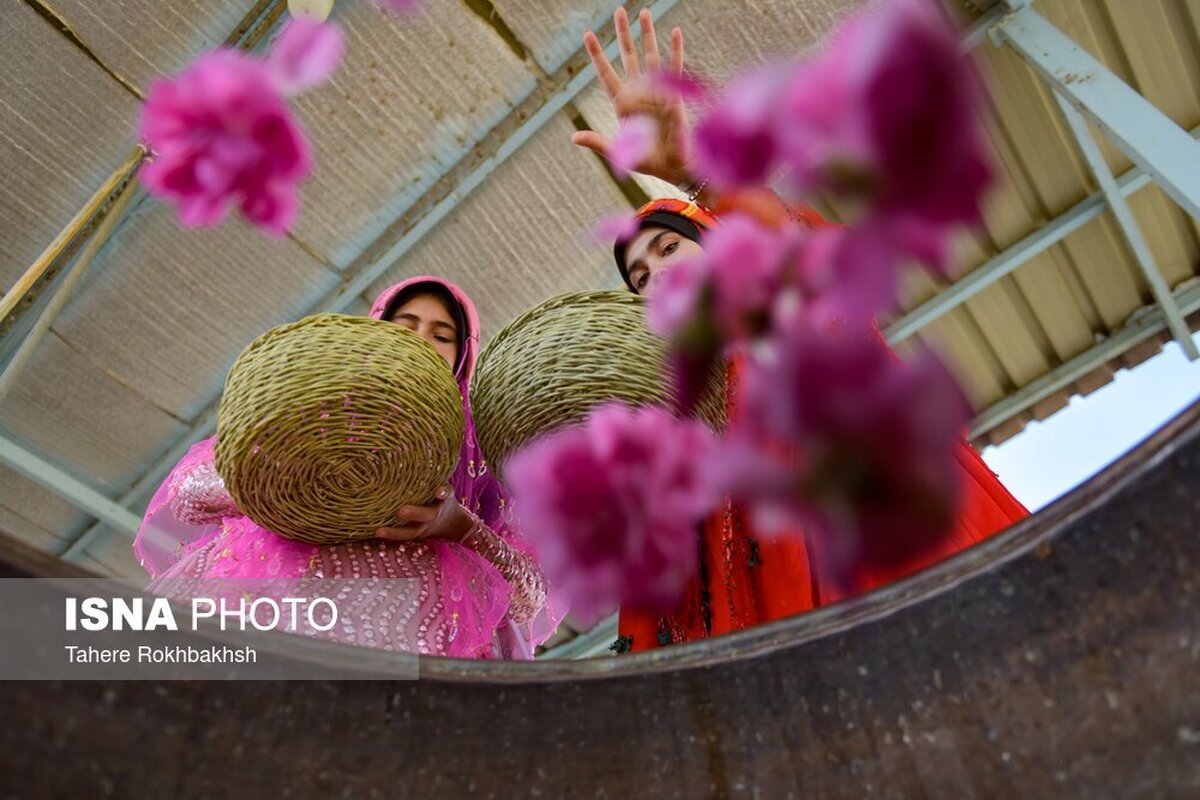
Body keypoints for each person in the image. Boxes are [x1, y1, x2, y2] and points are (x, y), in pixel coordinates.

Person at [576, 9, 1029, 652]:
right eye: (639, 278)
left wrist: (692, 175)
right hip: (790, 650)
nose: (655, 276)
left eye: (667, 250)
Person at [134, 276, 562, 659]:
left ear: (462, 357)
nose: (419, 340)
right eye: (406, 324)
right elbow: (191, 495)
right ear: (376, 330)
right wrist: (283, 482)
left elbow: (529, 599)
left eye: (441, 334)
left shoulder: (482, 457)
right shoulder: (303, 408)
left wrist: (462, 528)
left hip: (413, 651)